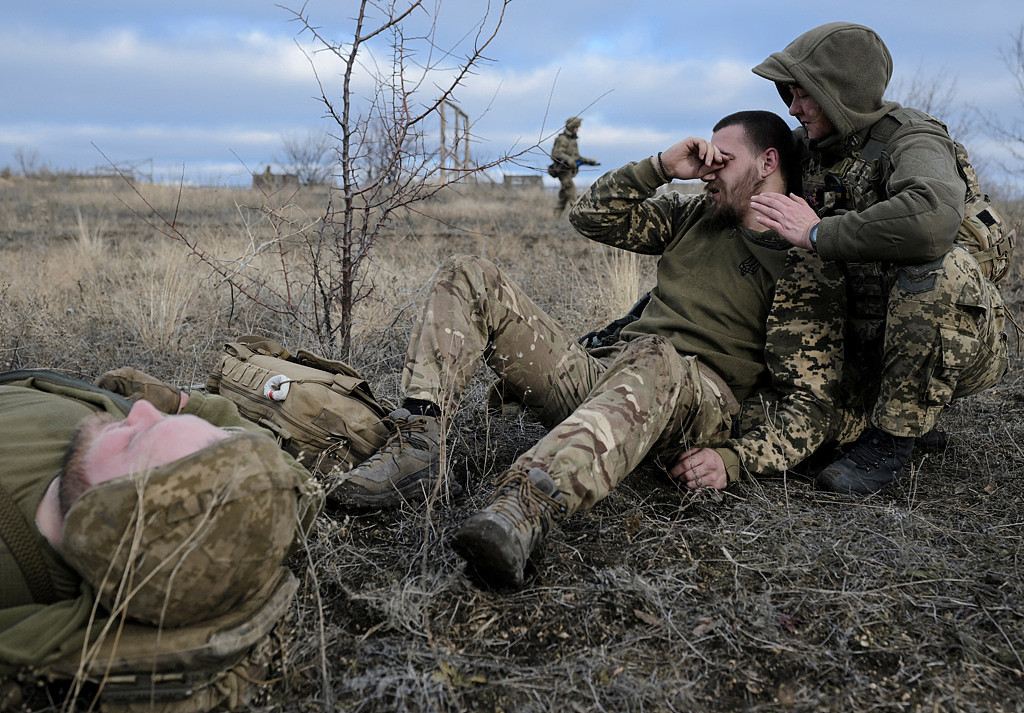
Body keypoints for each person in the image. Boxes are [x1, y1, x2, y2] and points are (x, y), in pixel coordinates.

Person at [331, 110, 846, 588]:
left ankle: (526, 507)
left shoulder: (802, 260)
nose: (708, 172)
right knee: (471, 274)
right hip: (615, 376)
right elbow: (590, 217)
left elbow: (811, 404)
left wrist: (732, 460)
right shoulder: (695, 217)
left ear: (768, 163)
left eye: (723, 161)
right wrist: (662, 166)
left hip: (696, 403)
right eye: (706, 160)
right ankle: (420, 444)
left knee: (655, 353)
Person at [748, 22, 1009, 494]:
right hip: (858, 342)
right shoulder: (804, 149)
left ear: (840, 92)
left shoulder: (912, 139)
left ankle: (891, 440)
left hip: (959, 343)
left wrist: (817, 232)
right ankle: (878, 412)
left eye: (804, 94)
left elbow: (931, 219)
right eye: (788, 93)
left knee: (938, 266)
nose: (793, 108)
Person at [0, 367, 322, 672]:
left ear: (108, 516)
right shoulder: (98, 460)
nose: (138, 410)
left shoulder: (15, 566)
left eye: (137, 439)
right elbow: (297, 483)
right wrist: (184, 405)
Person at [550, 116, 599, 215]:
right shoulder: (562, 139)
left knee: (564, 196)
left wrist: (589, 161)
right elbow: (556, 154)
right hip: (563, 171)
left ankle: (555, 217)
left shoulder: (573, 140)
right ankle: (579, 217)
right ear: (571, 127)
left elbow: (576, 157)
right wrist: (569, 160)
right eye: (576, 127)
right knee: (572, 192)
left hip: (570, 171)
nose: (578, 129)